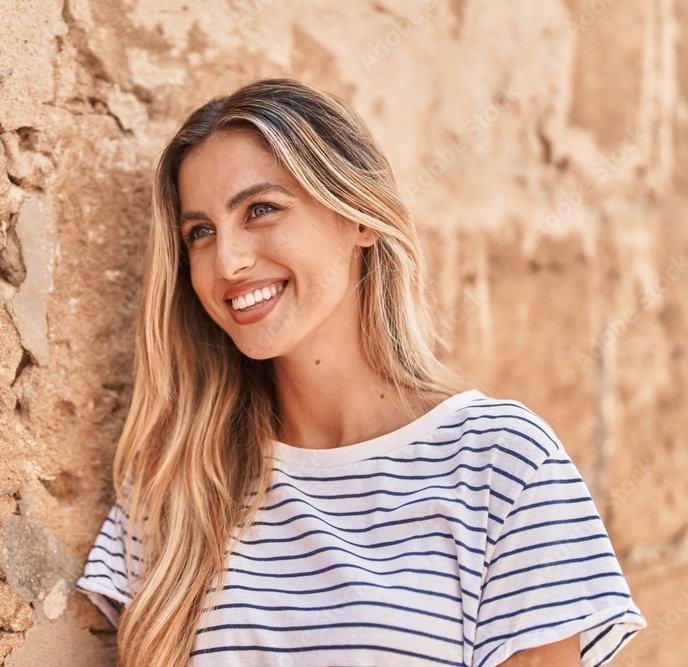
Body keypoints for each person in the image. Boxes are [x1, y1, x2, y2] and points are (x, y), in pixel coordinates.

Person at [76, 78, 645, 666]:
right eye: (201, 232)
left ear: (360, 219)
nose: (228, 261)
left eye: (261, 209)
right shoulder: (174, 483)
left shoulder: (501, 463)